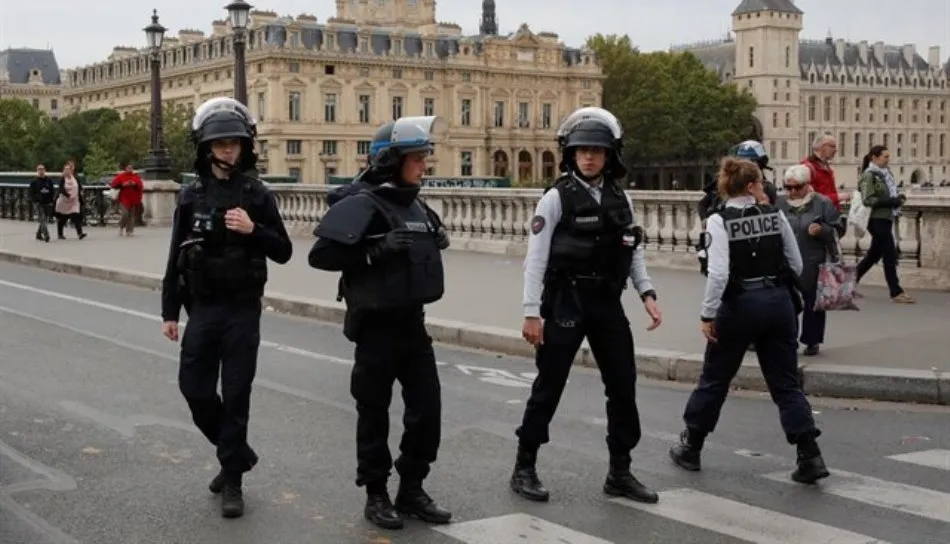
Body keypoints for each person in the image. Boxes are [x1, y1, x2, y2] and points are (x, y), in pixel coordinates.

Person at [512, 107, 662, 505]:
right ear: (571, 155)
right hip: (566, 300)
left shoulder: (620, 197)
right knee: (549, 386)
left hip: (606, 304)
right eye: (582, 151)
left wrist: (647, 293)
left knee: (623, 386)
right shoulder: (555, 198)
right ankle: (524, 466)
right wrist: (531, 312)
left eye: (597, 150)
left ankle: (620, 471)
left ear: (609, 154)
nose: (589, 157)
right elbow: (536, 258)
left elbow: (633, 248)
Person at [308, 116, 452, 530]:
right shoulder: (361, 203)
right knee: (374, 414)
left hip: (413, 325)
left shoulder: (418, 204)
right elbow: (321, 256)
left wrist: (435, 237)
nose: (424, 165)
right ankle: (376, 494)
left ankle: (411, 489)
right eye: (416, 158)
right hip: (375, 329)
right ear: (390, 161)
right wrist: (374, 253)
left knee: (428, 411)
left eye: (425, 156)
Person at [160, 97, 293, 518]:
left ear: (245, 146)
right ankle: (236, 454)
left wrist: (254, 231)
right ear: (206, 148)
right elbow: (174, 255)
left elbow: (285, 250)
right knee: (195, 390)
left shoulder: (257, 194)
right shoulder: (191, 194)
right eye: (220, 145)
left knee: (236, 394)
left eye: (234, 143)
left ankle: (232, 479)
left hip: (242, 310)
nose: (228, 151)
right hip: (202, 308)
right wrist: (169, 311)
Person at [669, 157, 829, 485]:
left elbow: (718, 274)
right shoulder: (775, 214)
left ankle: (692, 446)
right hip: (779, 303)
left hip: (739, 305)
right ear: (754, 184)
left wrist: (707, 314)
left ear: (726, 185)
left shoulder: (719, 220)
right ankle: (809, 453)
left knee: (715, 378)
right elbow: (796, 263)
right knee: (785, 382)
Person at [777, 165, 845, 356]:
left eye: (797, 187)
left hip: (814, 260)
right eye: (788, 187)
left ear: (807, 185)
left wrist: (822, 230)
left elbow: (838, 229)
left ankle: (812, 340)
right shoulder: (779, 204)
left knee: (813, 303)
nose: (792, 192)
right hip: (786, 262)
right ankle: (788, 339)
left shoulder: (822, 203)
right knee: (787, 303)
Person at [696, 140, 776, 276]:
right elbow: (703, 203)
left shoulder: (766, 188)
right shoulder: (723, 184)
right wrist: (706, 220)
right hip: (724, 241)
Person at [855, 145, 915, 304]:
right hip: (876, 219)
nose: (888, 159)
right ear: (874, 158)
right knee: (889, 254)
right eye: (885, 157)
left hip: (886, 218)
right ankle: (896, 291)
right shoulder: (869, 175)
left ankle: (848, 283)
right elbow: (867, 199)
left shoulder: (886, 173)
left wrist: (898, 199)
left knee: (873, 254)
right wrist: (890, 202)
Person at [29, 163, 54, 242]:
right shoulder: (34, 182)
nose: (41, 171)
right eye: (39, 169)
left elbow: (52, 191)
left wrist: (51, 200)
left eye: (42, 169)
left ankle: (38, 234)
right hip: (39, 203)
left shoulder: (49, 180)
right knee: (42, 219)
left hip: (47, 202)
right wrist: (35, 200)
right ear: (37, 171)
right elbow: (31, 193)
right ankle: (46, 235)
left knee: (45, 219)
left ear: (45, 170)